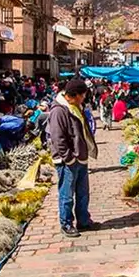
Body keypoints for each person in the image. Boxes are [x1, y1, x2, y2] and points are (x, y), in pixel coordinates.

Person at [47, 79, 99, 238]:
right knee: (67, 194)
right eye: (82, 96)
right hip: (67, 161)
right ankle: (66, 223)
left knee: (83, 193)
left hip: (80, 157)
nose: (83, 98)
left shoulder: (76, 106)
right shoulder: (59, 111)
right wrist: (69, 158)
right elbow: (58, 138)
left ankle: (83, 220)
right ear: (74, 95)